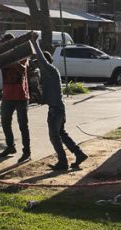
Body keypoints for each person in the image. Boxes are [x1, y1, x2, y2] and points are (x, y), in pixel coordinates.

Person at [31, 38, 88, 171]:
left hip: (56, 110)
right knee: (61, 133)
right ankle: (79, 154)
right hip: (57, 108)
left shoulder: (50, 70)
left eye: (39, 63)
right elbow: (47, 97)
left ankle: (63, 161)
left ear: (44, 62)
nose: (38, 66)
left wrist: (34, 43)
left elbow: (41, 58)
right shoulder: (47, 75)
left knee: (54, 136)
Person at [0, 34, 32, 162]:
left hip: (20, 95)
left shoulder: (22, 53)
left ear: (11, 43)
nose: (2, 45)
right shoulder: (2, 57)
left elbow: (22, 69)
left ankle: (27, 151)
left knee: (23, 125)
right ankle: (10, 146)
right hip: (7, 96)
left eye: (4, 43)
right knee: (5, 123)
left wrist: (11, 60)